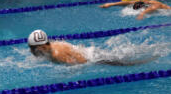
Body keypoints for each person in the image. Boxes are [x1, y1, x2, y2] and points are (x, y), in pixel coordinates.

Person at [28, 30, 159, 65]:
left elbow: (81, 63)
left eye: (34, 48)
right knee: (125, 54)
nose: (32, 51)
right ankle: (152, 48)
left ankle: (155, 53)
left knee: (126, 62)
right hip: (91, 52)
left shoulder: (57, 56)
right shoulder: (52, 45)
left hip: (94, 57)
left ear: (43, 46)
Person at [99, 0, 171, 20]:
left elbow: (154, 7)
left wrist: (142, 13)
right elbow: (129, 2)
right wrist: (111, 4)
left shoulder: (154, 3)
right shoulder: (144, 2)